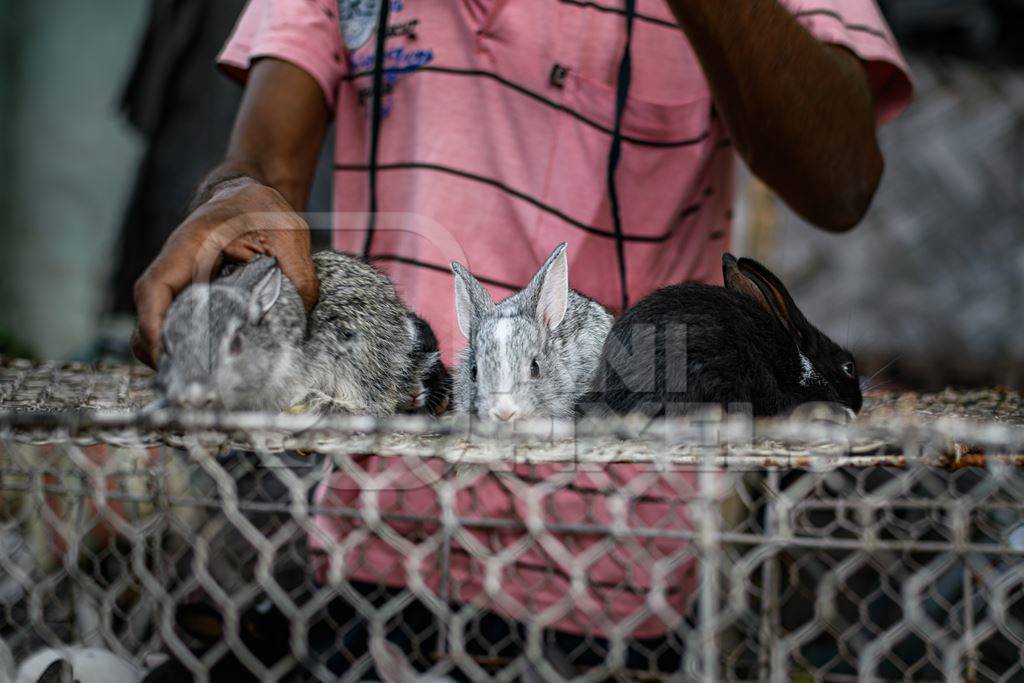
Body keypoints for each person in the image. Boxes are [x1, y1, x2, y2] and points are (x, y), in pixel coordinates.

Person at [130, 0, 913, 674]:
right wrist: (239, 196)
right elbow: (266, 152)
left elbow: (841, 176)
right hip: (379, 531)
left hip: (615, 563)